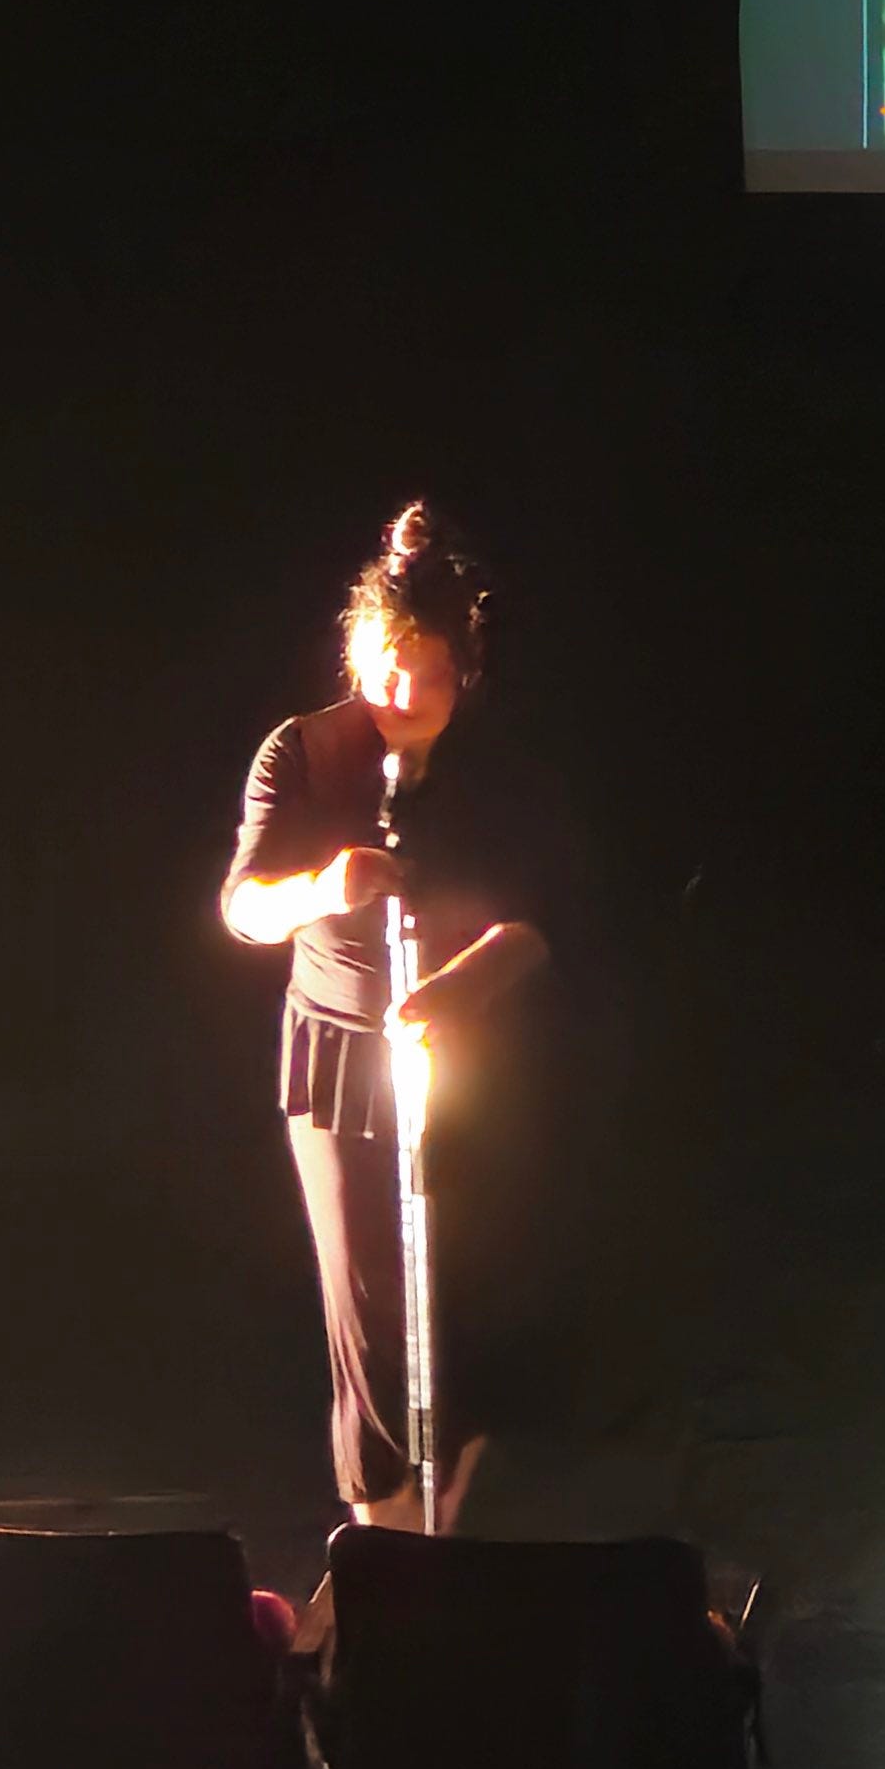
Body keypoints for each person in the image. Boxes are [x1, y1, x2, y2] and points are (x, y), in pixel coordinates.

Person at [216, 504, 532, 1531]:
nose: (407, 698)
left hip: (475, 1059)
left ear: (462, 675)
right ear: (361, 655)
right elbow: (244, 908)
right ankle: (387, 1541)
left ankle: (461, 1507)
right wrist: (323, 885)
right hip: (342, 1060)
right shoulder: (302, 753)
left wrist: (458, 989)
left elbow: (546, 920)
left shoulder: (496, 764)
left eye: (431, 678)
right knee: (371, 1313)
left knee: (471, 1297)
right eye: (390, 671)